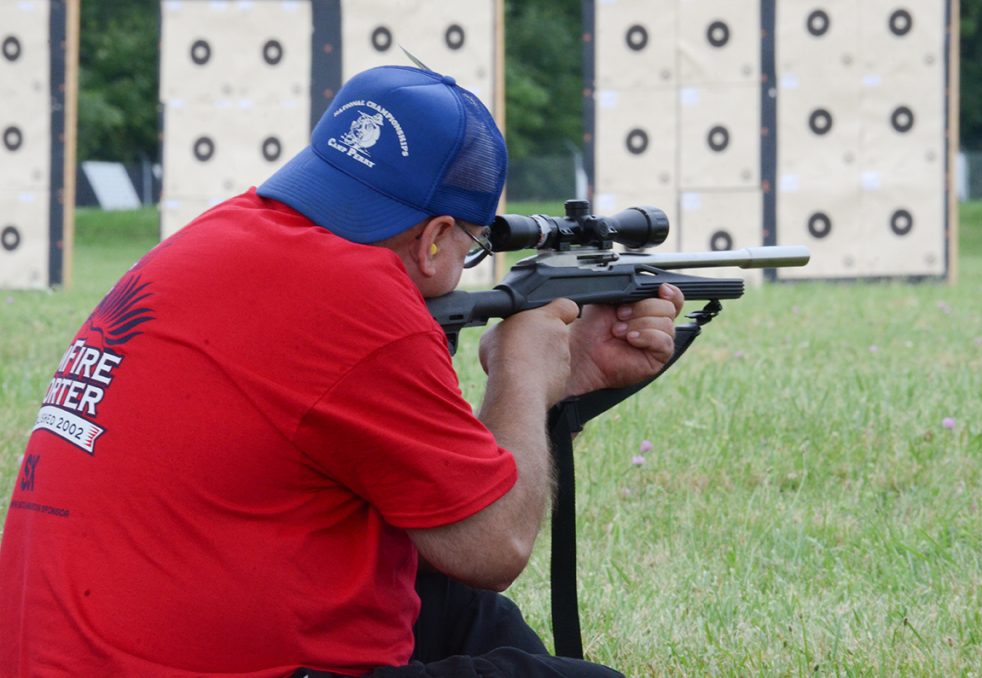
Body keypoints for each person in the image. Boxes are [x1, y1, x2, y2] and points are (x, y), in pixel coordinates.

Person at [0, 65, 683, 677]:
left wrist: (569, 375)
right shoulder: (360, 298)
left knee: (454, 602)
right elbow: (493, 545)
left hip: (69, 650)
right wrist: (522, 369)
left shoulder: (227, 230)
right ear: (438, 237)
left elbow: (452, 505)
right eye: (473, 248)